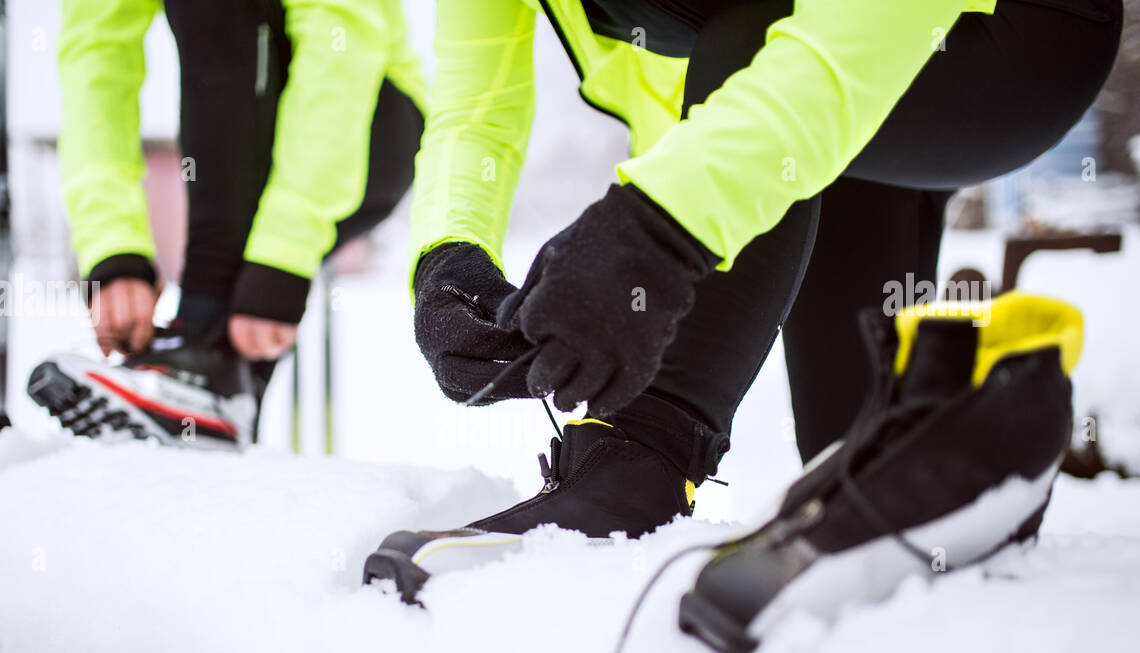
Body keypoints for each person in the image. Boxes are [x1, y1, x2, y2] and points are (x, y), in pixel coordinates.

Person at [363, 0, 1123, 609]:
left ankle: (636, 468)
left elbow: (847, 33)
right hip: (810, 107)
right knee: (854, 469)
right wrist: (448, 259)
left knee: (760, 41)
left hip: (1000, 28)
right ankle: (975, 467)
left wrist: (657, 229)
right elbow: (475, 112)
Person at [28, 0, 425, 448]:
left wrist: (286, 251)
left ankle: (204, 365)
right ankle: (214, 400)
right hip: (260, 143)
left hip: (366, 118)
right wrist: (113, 250)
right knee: (225, 352)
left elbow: (342, 32)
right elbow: (96, 56)